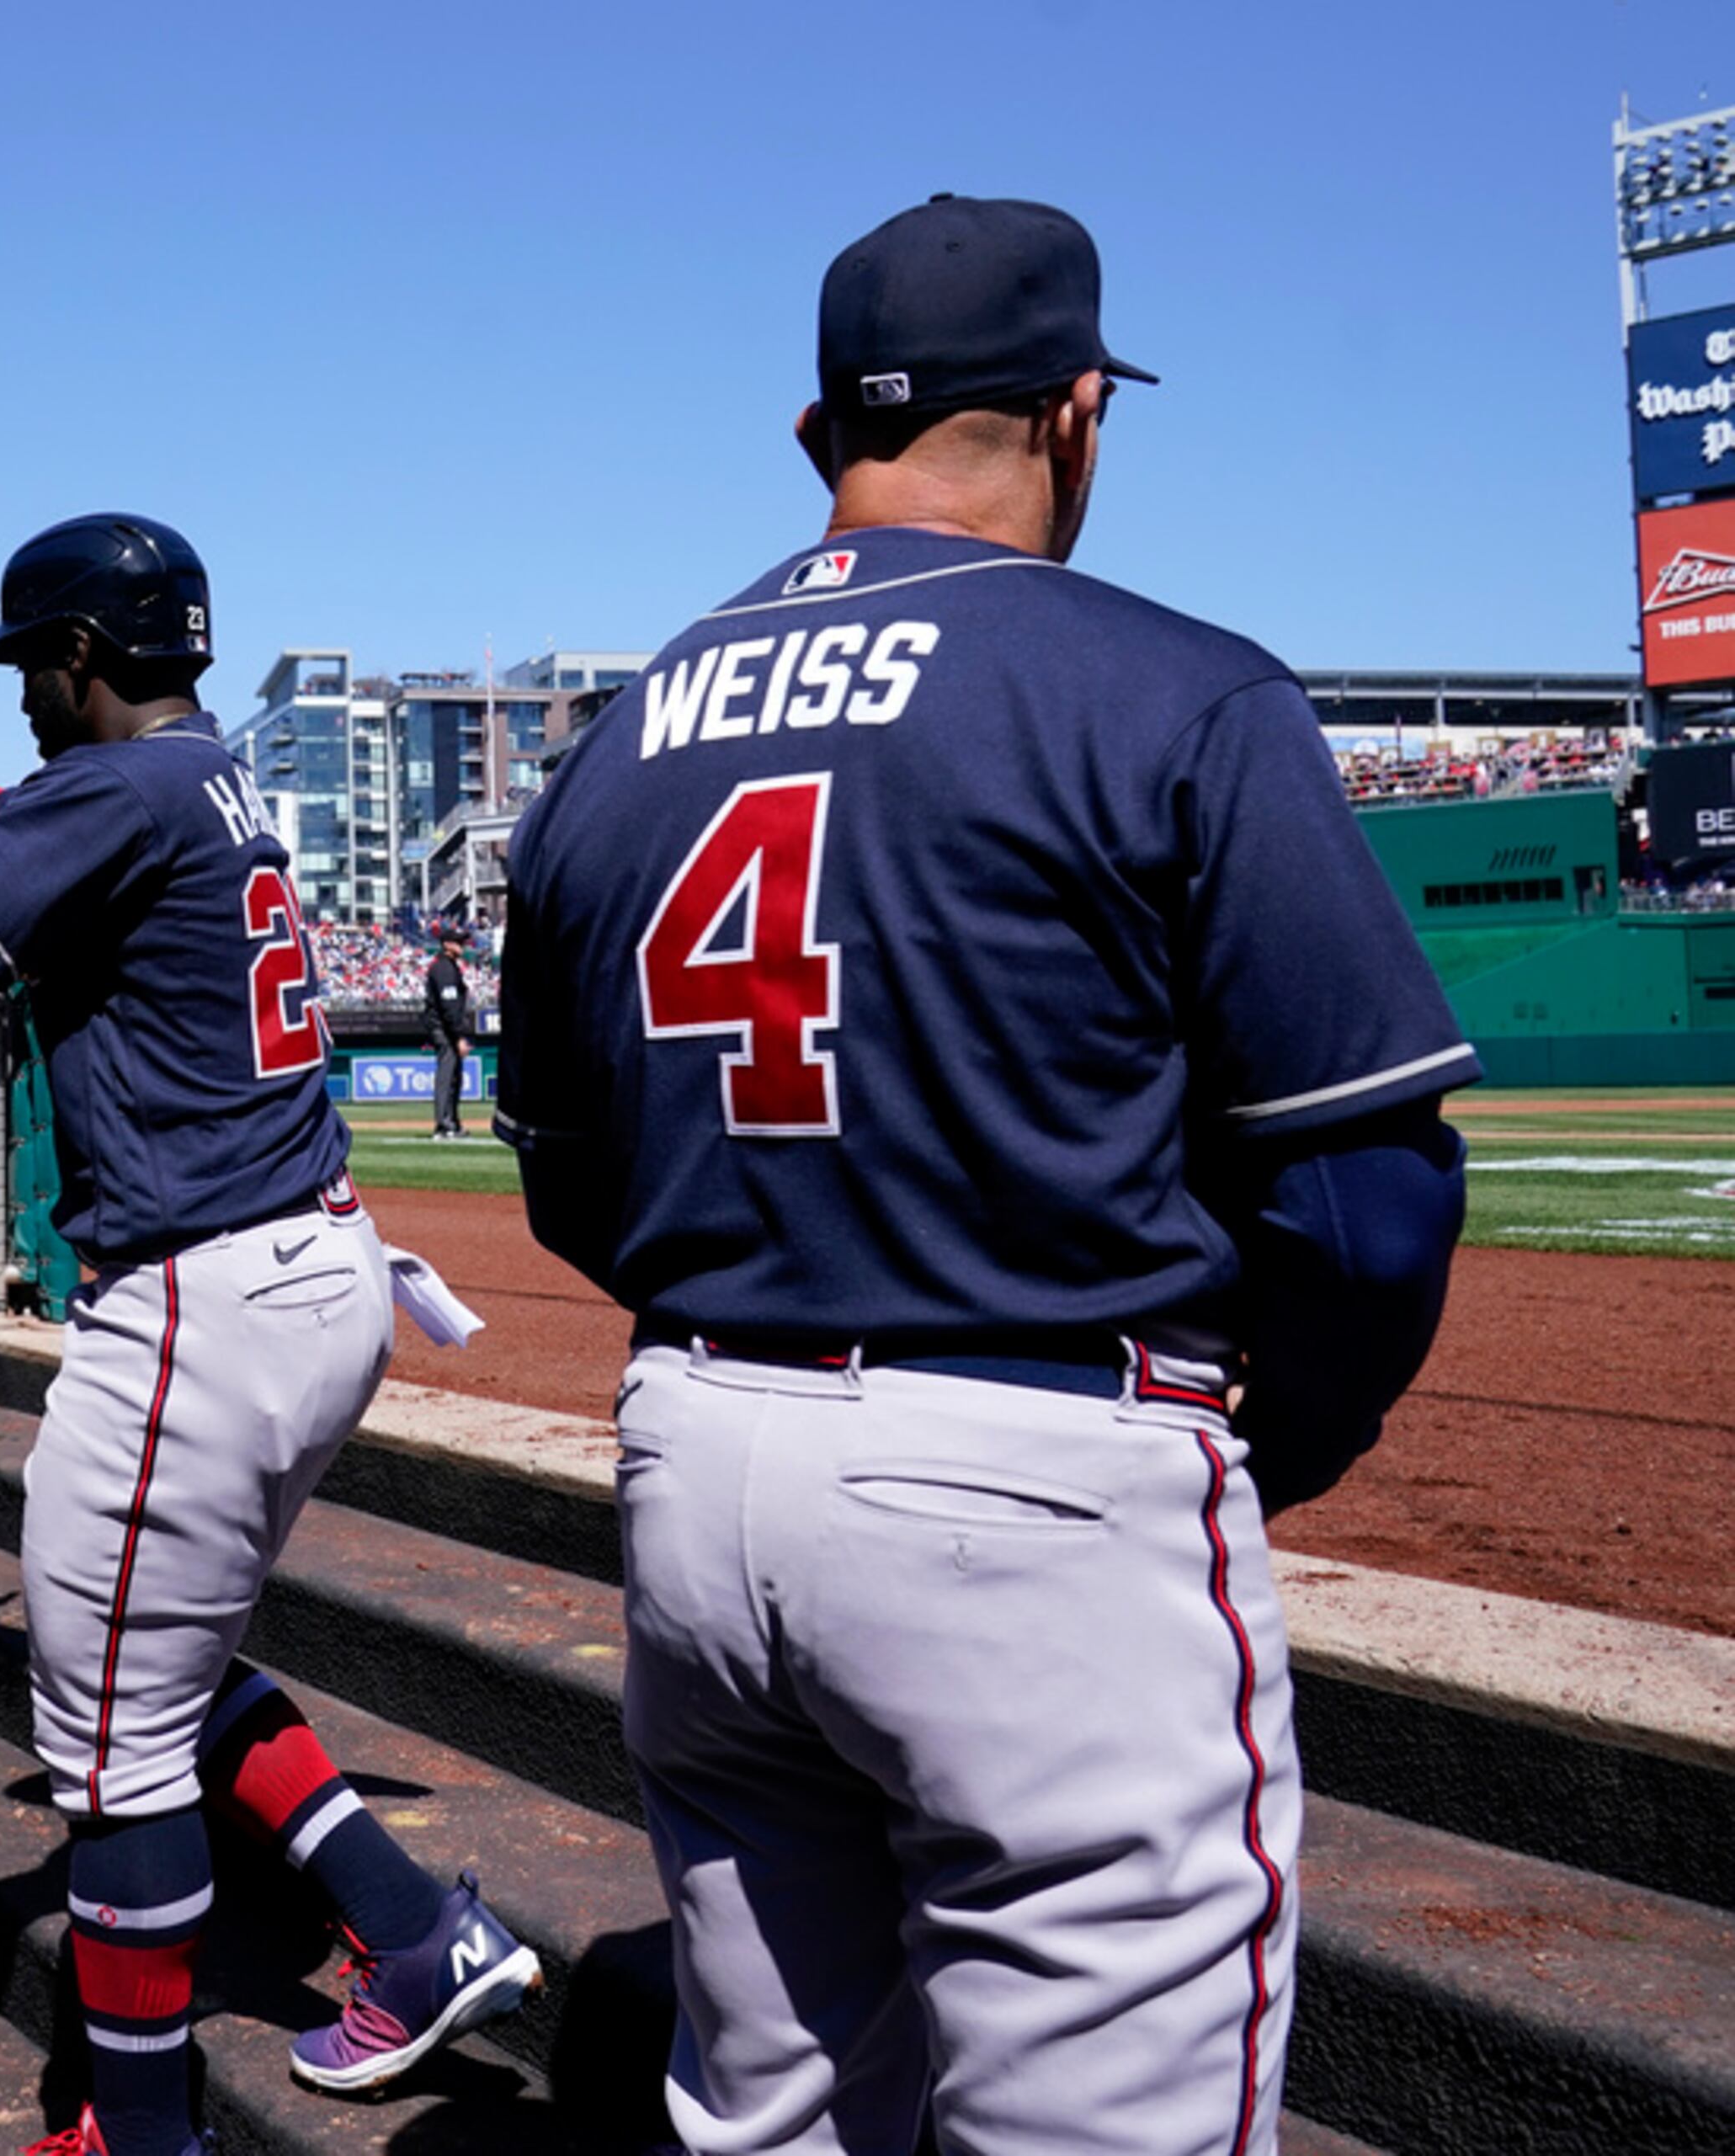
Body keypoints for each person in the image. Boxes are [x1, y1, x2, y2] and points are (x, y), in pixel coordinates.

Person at [495, 195, 1474, 2156]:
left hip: (698, 1464)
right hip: (1037, 1475)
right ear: (1077, 409)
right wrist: (1279, 1432)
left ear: (813, 440)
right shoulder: (1170, 684)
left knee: (773, 2112)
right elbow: (1365, 1202)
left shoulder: (614, 742)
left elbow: (566, 1184)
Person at [0, 519, 536, 2156]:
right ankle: (414, 1931)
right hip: (318, 1272)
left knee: (119, 1749)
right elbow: (18, 843)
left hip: (207, 1300)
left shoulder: (119, 787)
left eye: (38, 671)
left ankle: (140, 2126)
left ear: (77, 656)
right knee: (173, 1670)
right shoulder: (200, 775)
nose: (35, 701)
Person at [423, 927, 474, 1139]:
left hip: (446, 1029)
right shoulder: (444, 969)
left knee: (454, 1078)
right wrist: (459, 1036)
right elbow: (449, 1006)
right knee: (447, 1076)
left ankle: (451, 1122)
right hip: (445, 1030)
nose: (462, 945)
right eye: (458, 942)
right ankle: (444, 1125)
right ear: (447, 944)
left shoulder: (449, 967)